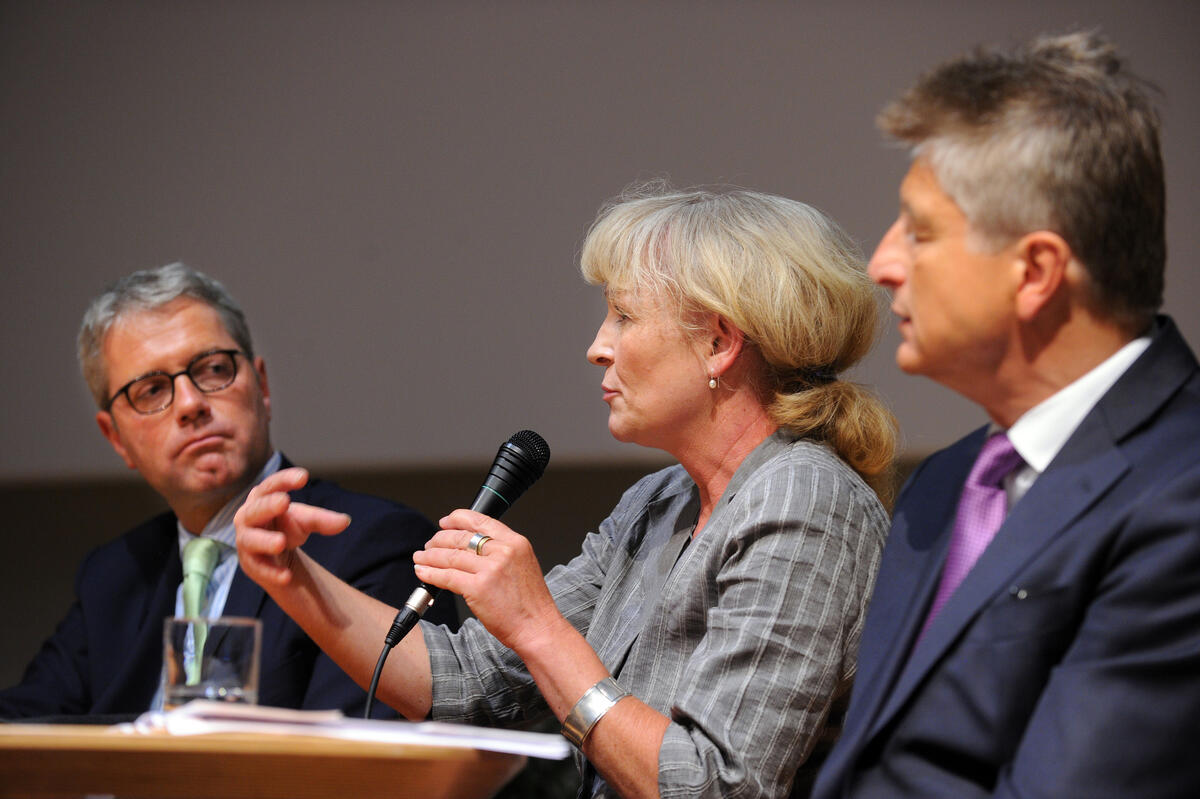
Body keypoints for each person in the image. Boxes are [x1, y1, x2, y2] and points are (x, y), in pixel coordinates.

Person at [235, 186, 898, 798]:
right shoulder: (659, 502)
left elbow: (713, 786)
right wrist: (291, 576)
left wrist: (537, 626)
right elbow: (465, 681)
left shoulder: (803, 501)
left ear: (719, 342)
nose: (597, 347)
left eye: (623, 315)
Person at [812, 32, 1200, 799]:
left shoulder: (1182, 496)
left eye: (919, 231)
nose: (881, 263)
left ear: (1035, 270)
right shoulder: (941, 483)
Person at [0, 263, 457, 720]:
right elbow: (24, 724)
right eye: (152, 390)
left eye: (213, 369)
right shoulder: (114, 575)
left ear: (262, 386)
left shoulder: (372, 545)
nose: (190, 404)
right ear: (116, 437)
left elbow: (361, 751)